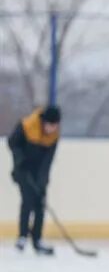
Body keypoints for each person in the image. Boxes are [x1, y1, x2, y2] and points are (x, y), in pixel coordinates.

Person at [7, 105, 61, 255]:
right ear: (44, 121)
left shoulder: (54, 135)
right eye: (50, 125)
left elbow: (48, 160)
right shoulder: (27, 126)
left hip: (39, 172)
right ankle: (22, 237)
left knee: (40, 202)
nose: (52, 129)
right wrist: (20, 160)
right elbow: (12, 142)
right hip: (23, 169)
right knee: (28, 200)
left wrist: (43, 180)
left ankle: (37, 240)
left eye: (55, 126)